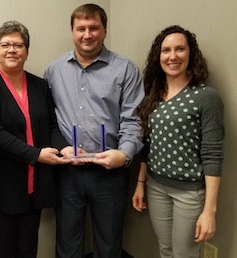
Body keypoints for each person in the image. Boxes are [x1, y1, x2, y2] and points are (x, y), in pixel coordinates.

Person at [44, 4, 144, 258]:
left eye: (94, 28)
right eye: (81, 28)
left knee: (108, 245)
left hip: (110, 173)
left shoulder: (126, 69)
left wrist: (124, 155)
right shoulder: (54, 71)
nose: (87, 34)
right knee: (67, 244)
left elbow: (133, 120)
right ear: (72, 32)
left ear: (105, 30)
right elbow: (48, 120)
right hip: (68, 173)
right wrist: (62, 147)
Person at [0, 20, 69, 258]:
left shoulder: (40, 85)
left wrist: (64, 148)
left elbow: (52, 125)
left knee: (27, 251)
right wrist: (36, 155)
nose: (12, 50)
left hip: (31, 191)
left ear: (27, 51)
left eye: (18, 45)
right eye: (5, 45)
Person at [132, 25, 224, 258]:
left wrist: (209, 212)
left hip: (189, 194)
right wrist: (141, 183)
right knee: (165, 250)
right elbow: (147, 144)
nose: (173, 56)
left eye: (180, 49)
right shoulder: (153, 94)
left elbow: (213, 154)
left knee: (185, 255)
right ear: (158, 56)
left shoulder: (206, 97)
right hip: (156, 187)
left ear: (191, 54)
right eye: (166, 50)